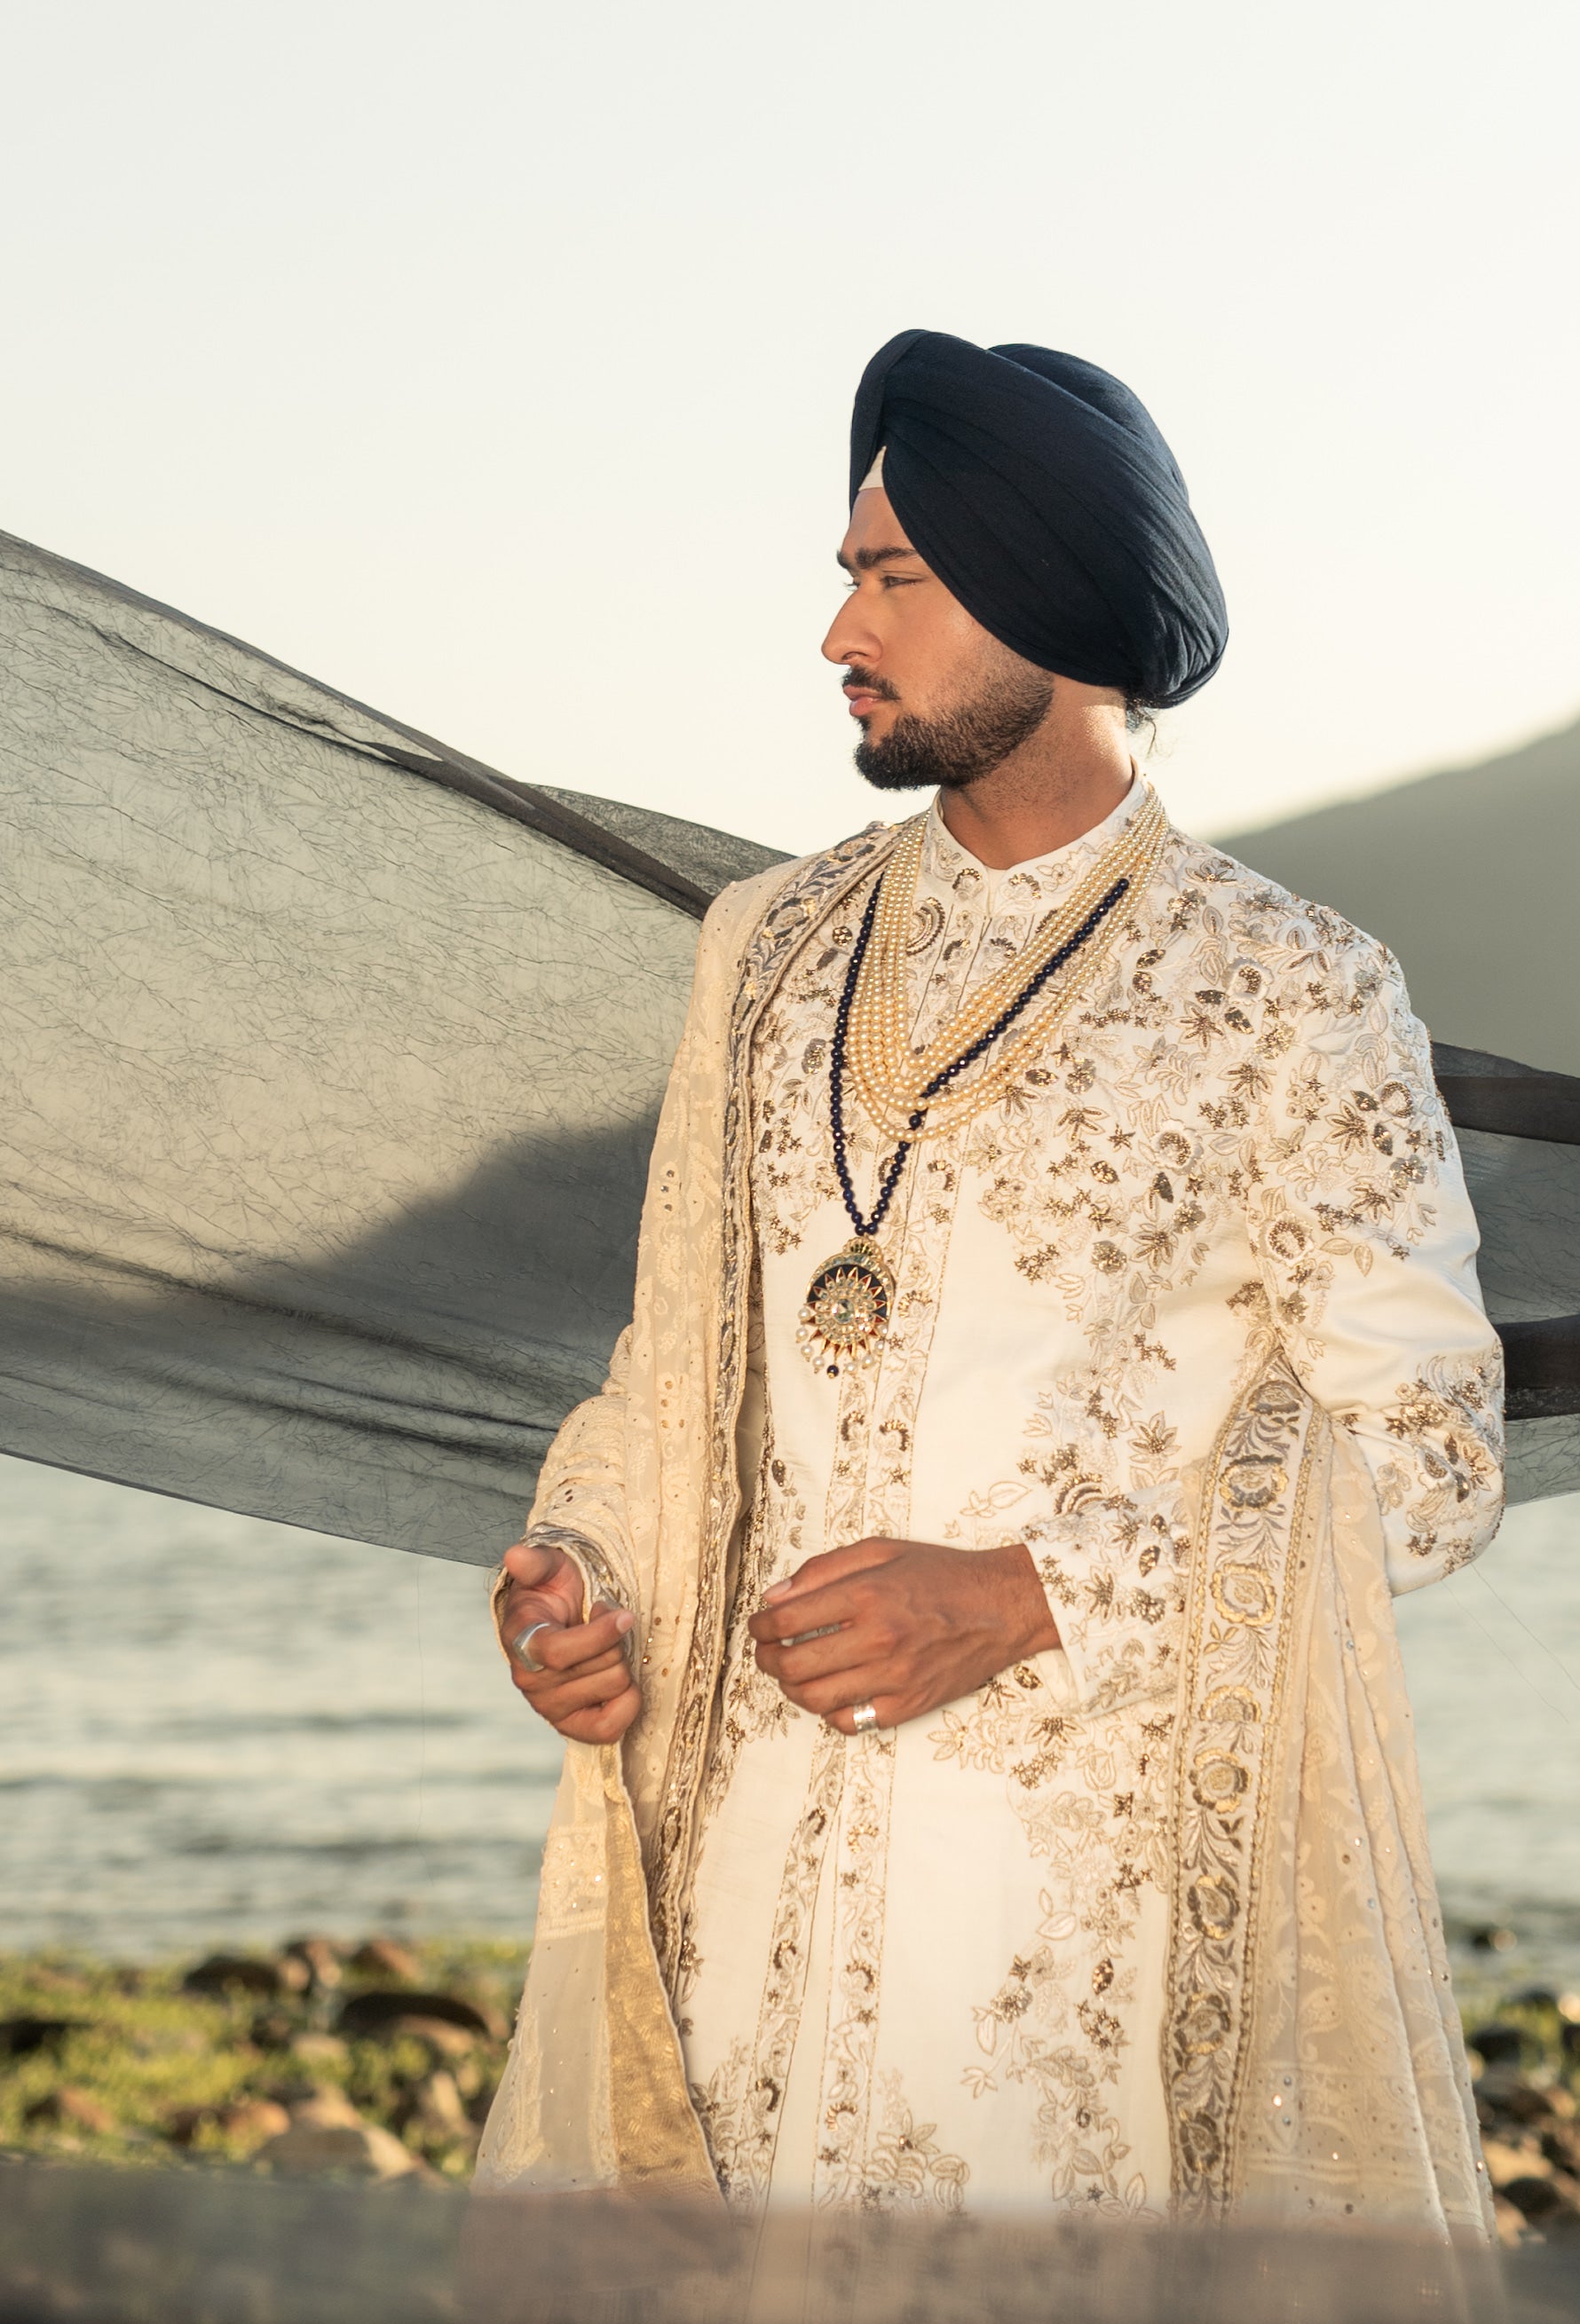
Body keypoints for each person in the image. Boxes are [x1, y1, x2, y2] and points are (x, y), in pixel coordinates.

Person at [472, 328, 1508, 2223]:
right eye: (849, 571)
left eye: (892, 579)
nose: (834, 631)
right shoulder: (764, 950)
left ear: (1042, 597)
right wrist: (582, 1572)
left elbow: (1427, 1458)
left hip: (1077, 1961)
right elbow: (675, 1365)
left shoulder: (1288, 989)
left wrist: (1030, 1596)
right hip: (738, 1908)